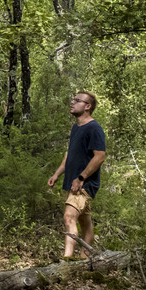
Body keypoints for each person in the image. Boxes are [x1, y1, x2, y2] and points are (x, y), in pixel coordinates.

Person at [48, 91, 105, 259]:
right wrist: (57, 174)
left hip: (83, 184)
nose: (72, 102)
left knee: (69, 217)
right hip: (74, 183)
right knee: (85, 223)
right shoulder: (76, 128)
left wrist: (81, 178)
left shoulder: (94, 128)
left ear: (88, 106)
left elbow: (100, 156)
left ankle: (67, 260)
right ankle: (84, 260)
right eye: (73, 99)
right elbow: (70, 155)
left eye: (77, 100)